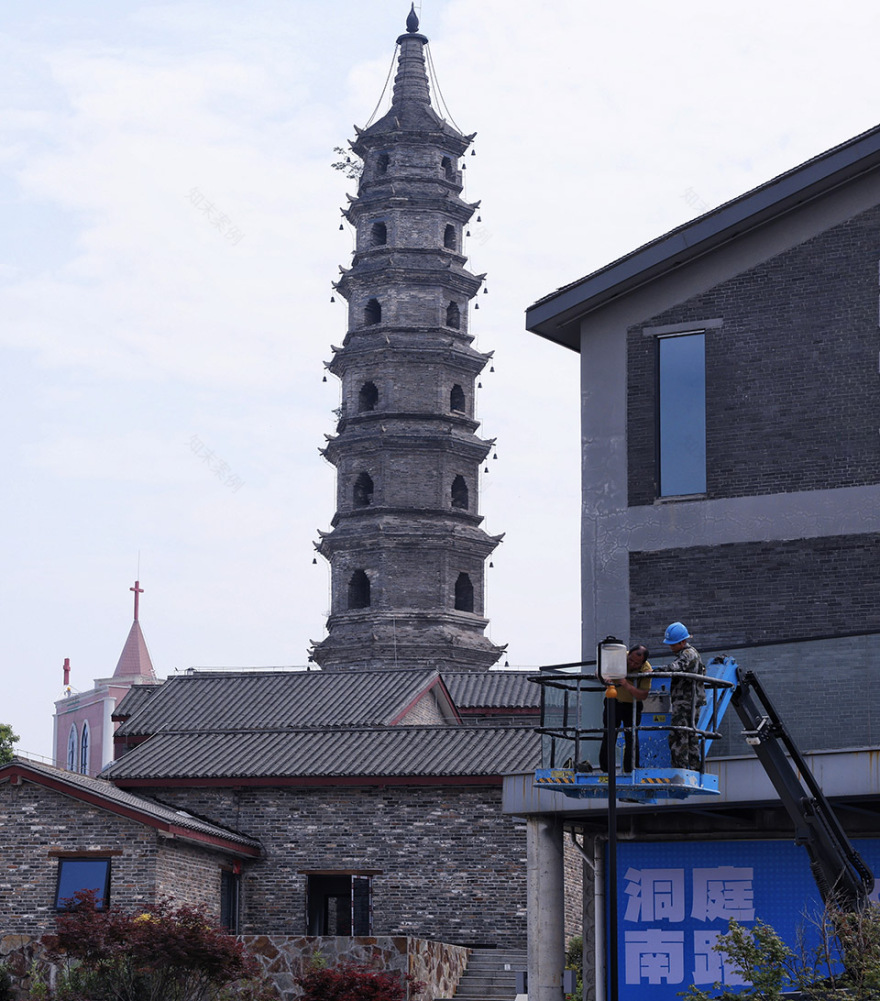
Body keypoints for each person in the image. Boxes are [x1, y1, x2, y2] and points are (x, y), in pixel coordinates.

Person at [599, 644, 652, 773]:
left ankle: (631, 769)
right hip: (614, 701)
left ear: (642, 663)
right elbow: (598, 671)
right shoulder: (618, 656)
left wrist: (625, 684)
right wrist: (603, 677)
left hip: (632, 705)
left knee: (632, 736)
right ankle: (606, 769)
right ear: (628, 655)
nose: (632, 664)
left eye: (636, 663)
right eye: (630, 660)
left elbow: (643, 695)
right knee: (609, 734)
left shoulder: (646, 669)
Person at [663, 621, 705, 771]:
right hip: (690, 700)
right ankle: (694, 766)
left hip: (685, 701)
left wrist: (654, 672)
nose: (671, 647)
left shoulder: (688, 654)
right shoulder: (690, 653)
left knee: (678, 734)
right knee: (690, 734)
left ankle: (680, 767)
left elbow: (674, 668)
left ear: (682, 642)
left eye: (673, 644)